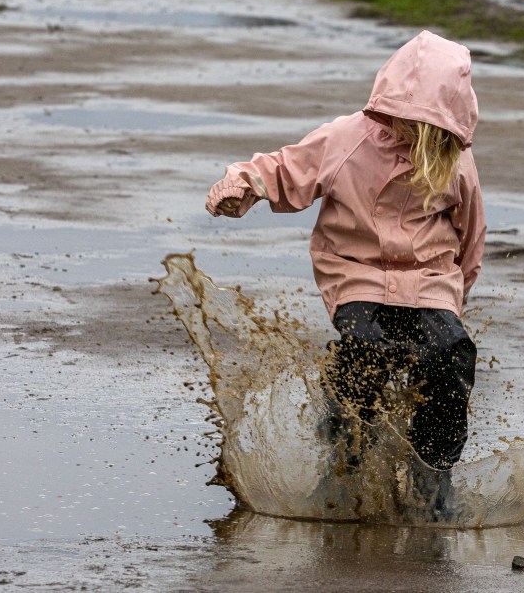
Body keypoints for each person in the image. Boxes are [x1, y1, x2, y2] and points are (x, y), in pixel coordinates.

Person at [205, 31, 486, 486]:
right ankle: (344, 456)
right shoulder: (346, 138)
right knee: (366, 350)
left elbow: (471, 235)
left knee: (451, 355)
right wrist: (242, 185)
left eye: (432, 129)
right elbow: (283, 168)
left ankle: (432, 474)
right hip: (355, 274)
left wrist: (455, 300)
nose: (419, 137)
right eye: (410, 122)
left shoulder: (455, 160)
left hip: (432, 281)